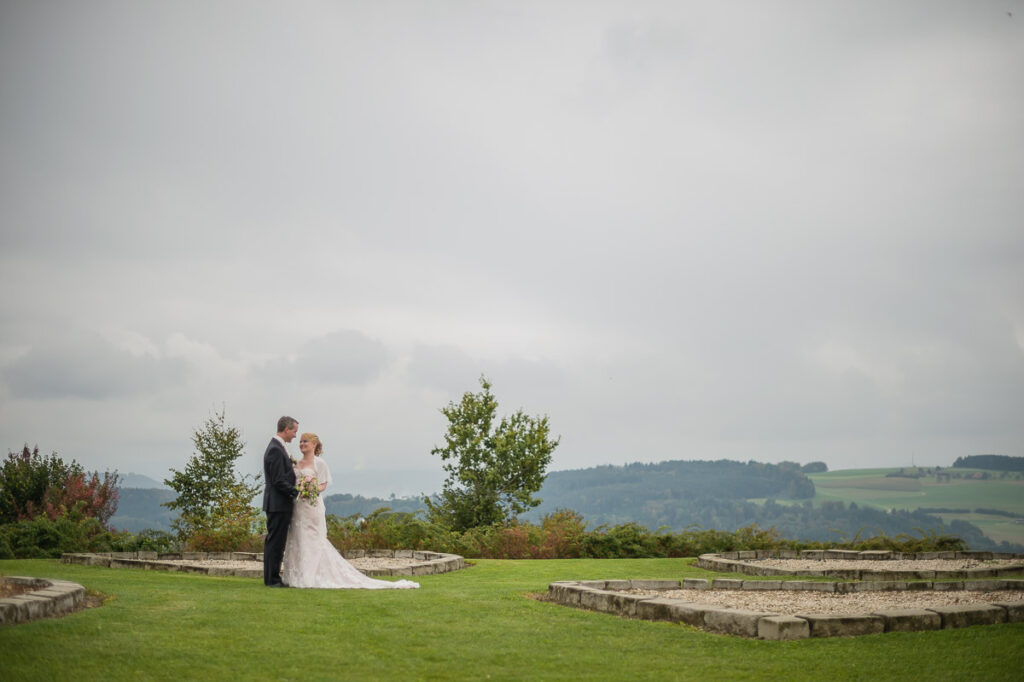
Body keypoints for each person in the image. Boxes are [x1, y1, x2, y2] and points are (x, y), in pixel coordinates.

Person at [281, 432, 418, 589]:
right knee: (298, 538)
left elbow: (323, 484)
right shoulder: (297, 464)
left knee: (313, 539)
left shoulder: (320, 463)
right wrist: (300, 489)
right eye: (300, 441)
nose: (302, 444)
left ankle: (312, 575)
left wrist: (312, 490)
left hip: (312, 507)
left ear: (314, 444)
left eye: (305, 441)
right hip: (298, 507)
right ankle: (297, 574)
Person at [263, 416, 299, 587]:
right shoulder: (275, 449)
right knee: (275, 543)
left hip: (280, 504)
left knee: (277, 542)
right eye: (294, 431)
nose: (295, 435)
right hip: (277, 504)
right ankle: (272, 580)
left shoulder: (278, 447)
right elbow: (278, 480)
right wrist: (296, 492)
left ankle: (273, 578)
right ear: (286, 429)